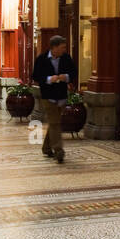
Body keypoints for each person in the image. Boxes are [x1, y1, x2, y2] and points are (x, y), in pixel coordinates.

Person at [32, 34, 76, 164]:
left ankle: (46, 148)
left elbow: (74, 72)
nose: (64, 49)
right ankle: (58, 150)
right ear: (54, 47)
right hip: (48, 96)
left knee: (54, 122)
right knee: (55, 122)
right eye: (62, 47)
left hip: (61, 95)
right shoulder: (42, 59)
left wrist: (66, 77)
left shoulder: (66, 58)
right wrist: (49, 79)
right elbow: (35, 76)